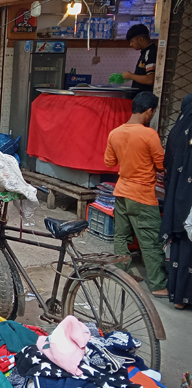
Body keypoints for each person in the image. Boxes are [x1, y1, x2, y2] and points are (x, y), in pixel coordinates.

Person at [104, 91, 167, 297]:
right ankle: (158, 285)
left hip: (121, 191)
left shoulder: (115, 133)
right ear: (149, 111)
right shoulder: (149, 134)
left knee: (121, 235)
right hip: (142, 195)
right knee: (150, 240)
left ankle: (123, 273)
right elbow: (161, 165)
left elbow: (109, 162)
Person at [159, 94, 192, 310]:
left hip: (179, 196)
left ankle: (178, 297)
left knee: (182, 247)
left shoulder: (179, 130)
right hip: (188, 199)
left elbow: (167, 161)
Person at [123, 24, 157, 93]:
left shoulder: (151, 53)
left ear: (140, 39)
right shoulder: (144, 52)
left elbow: (150, 79)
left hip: (145, 97)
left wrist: (130, 75)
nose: (130, 44)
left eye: (132, 41)